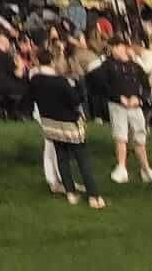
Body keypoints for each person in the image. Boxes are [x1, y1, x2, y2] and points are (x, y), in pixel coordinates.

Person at [29, 51, 104, 209]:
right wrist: (77, 86)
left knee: (61, 157)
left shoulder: (35, 80)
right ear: (52, 62)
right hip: (69, 123)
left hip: (50, 123)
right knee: (82, 159)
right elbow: (75, 100)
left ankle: (70, 193)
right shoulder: (60, 81)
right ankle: (93, 195)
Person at [97, 40, 152, 189]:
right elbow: (103, 86)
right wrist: (119, 98)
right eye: (115, 47)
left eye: (119, 46)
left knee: (139, 137)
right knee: (120, 136)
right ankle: (121, 167)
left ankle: (146, 169)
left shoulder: (135, 67)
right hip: (118, 106)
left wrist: (139, 99)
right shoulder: (107, 66)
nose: (117, 50)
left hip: (135, 106)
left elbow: (146, 86)